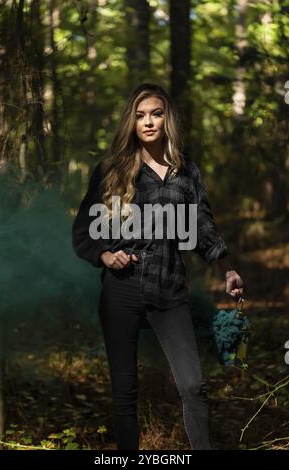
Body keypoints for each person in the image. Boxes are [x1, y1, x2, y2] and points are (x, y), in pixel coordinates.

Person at [72, 83, 244, 450]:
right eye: (140, 115)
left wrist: (227, 269)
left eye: (156, 113)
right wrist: (104, 254)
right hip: (121, 289)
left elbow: (203, 229)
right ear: (131, 122)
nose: (148, 122)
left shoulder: (187, 173)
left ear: (168, 119)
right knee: (125, 391)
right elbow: (84, 229)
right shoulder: (111, 170)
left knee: (193, 386)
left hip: (170, 290)